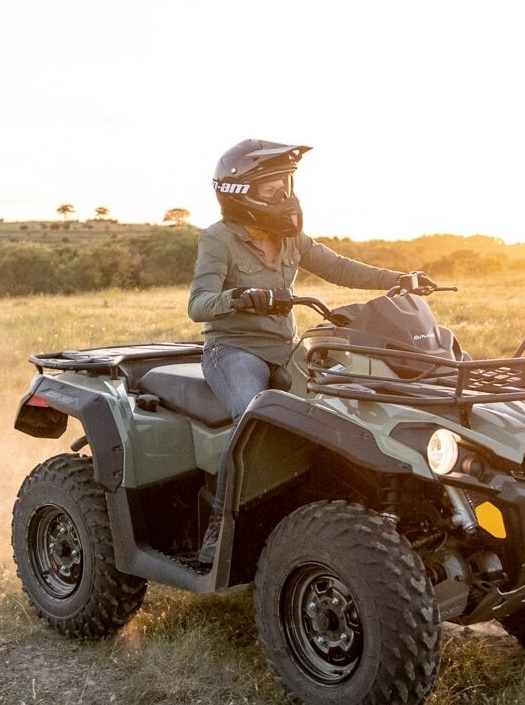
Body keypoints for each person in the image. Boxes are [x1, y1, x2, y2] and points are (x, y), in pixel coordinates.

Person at [186, 139, 435, 563]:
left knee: (339, 410)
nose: (283, 195)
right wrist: (240, 297)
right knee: (254, 421)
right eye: (270, 188)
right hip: (233, 350)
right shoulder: (218, 240)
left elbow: (339, 267)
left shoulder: (290, 238)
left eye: (285, 183)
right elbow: (198, 304)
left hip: (287, 349)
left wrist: (400, 278)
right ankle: (218, 529)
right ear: (238, 193)